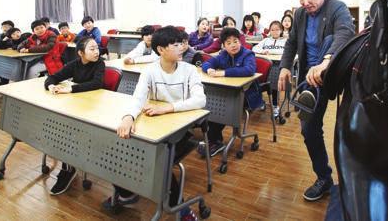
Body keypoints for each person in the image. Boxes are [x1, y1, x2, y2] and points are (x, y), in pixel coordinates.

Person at [110, 26, 205, 221]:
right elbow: (138, 98)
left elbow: (200, 100)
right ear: (161, 49)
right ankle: (127, 190)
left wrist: (167, 108)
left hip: (182, 129)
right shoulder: (150, 71)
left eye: (182, 44)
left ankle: (181, 208)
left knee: (161, 158)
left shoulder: (189, 70)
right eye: (176, 44)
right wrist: (128, 117)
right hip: (154, 127)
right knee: (118, 147)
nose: (181, 48)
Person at [277, 0, 354, 202]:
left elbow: (345, 34)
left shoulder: (337, 8)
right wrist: (284, 67)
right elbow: (291, 42)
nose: (304, 3)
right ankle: (324, 177)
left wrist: (326, 60)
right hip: (309, 79)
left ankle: (355, 177)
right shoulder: (299, 14)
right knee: (308, 130)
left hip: (333, 70)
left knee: (331, 40)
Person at [43, 37, 105, 195]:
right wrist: (51, 86)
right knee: (62, 128)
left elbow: (96, 83)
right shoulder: (74, 64)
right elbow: (54, 77)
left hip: (95, 108)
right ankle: (68, 166)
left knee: (69, 130)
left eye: (97, 48)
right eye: (92, 49)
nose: (96, 51)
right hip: (78, 106)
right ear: (80, 53)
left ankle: (68, 169)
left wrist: (70, 90)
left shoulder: (99, 64)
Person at [199, 27, 258, 156]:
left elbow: (249, 70)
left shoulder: (248, 54)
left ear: (240, 42)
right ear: (223, 45)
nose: (233, 45)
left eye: (235, 41)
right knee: (212, 106)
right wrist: (209, 69)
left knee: (219, 108)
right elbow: (207, 63)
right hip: (227, 93)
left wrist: (223, 73)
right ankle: (215, 140)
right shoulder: (223, 55)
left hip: (246, 95)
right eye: (229, 43)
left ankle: (214, 141)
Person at [252, 21, 286, 117]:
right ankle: (260, 102)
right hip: (265, 66)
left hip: (277, 66)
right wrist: (263, 51)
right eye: (272, 30)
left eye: (277, 29)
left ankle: (275, 105)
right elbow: (254, 48)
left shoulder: (285, 41)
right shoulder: (266, 40)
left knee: (273, 82)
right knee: (256, 81)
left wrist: (270, 51)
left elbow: (284, 51)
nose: (274, 32)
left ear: (281, 30)